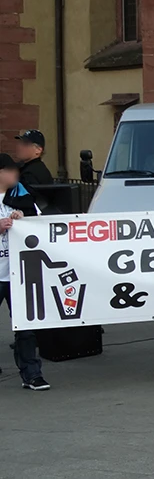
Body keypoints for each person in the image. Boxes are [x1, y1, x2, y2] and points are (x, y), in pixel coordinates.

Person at [0, 154, 47, 390]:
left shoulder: (21, 195)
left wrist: (24, 217)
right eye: (10, 170)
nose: (15, 175)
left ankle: (32, 373)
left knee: (26, 327)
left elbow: (41, 224)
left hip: (19, 274)